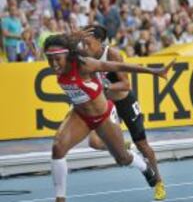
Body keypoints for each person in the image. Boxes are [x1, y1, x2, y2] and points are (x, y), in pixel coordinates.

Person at [43, 34, 173, 202]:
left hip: (103, 116)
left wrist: (153, 71)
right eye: (50, 59)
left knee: (123, 159)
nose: (54, 64)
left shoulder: (84, 65)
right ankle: (60, 198)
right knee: (58, 148)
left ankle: (144, 166)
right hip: (80, 115)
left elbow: (119, 66)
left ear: (67, 55)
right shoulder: (58, 67)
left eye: (57, 59)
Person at [80, 25, 166, 200]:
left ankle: (158, 182)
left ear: (99, 41)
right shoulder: (86, 54)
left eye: (88, 43)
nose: (85, 47)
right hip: (107, 104)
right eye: (83, 43)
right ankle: (124, 146)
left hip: (125, 101)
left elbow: (126, 85)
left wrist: (106, 86)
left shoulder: (113, 55)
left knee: (142, 145)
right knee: (94, 142)